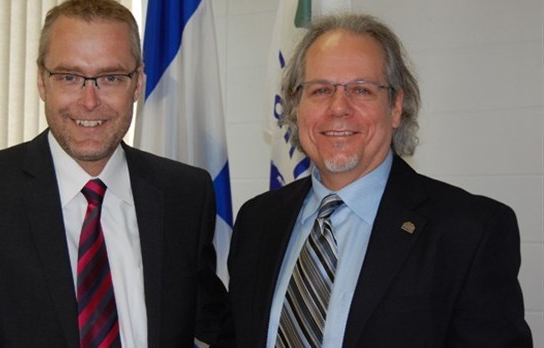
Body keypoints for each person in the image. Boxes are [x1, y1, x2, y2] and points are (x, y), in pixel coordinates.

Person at [0, 0, 229, 347]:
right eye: (69, 77)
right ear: (42, 81)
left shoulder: (185, 194)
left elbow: (214, 327)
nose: (89, 101)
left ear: (139, 82)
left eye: (110, 77)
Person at [227, 13, 532, 347]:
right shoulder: (257, 221)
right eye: (320, 90)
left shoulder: (469, 233)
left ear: (396, 106)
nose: (338, 107)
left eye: (361, 89)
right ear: (296, 106)